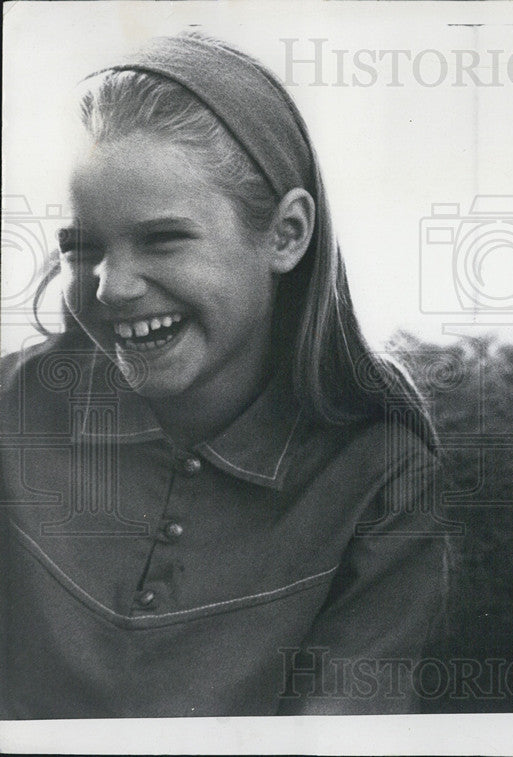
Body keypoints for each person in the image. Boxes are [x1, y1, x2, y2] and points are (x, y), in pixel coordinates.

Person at [0, 32, 447, 717]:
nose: (114, 286)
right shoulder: (13, 407)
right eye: (83, 248)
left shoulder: (383, 479)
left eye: (162, 239)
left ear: (287, 233)